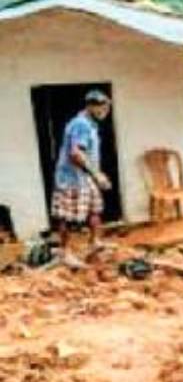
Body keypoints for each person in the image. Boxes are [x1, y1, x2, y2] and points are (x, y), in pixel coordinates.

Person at [51, 90, 112, 267]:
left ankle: (94, 243)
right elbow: (76, 154)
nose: (104, 111)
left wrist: (94, 174)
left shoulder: (91, 125)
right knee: (68, 216)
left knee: (94, 209)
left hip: (85, 176)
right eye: (100, 107)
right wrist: (97, 174)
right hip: (71, 178)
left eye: (106, 108)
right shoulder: (81, 124)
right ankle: (65, 253)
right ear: (90, 106)